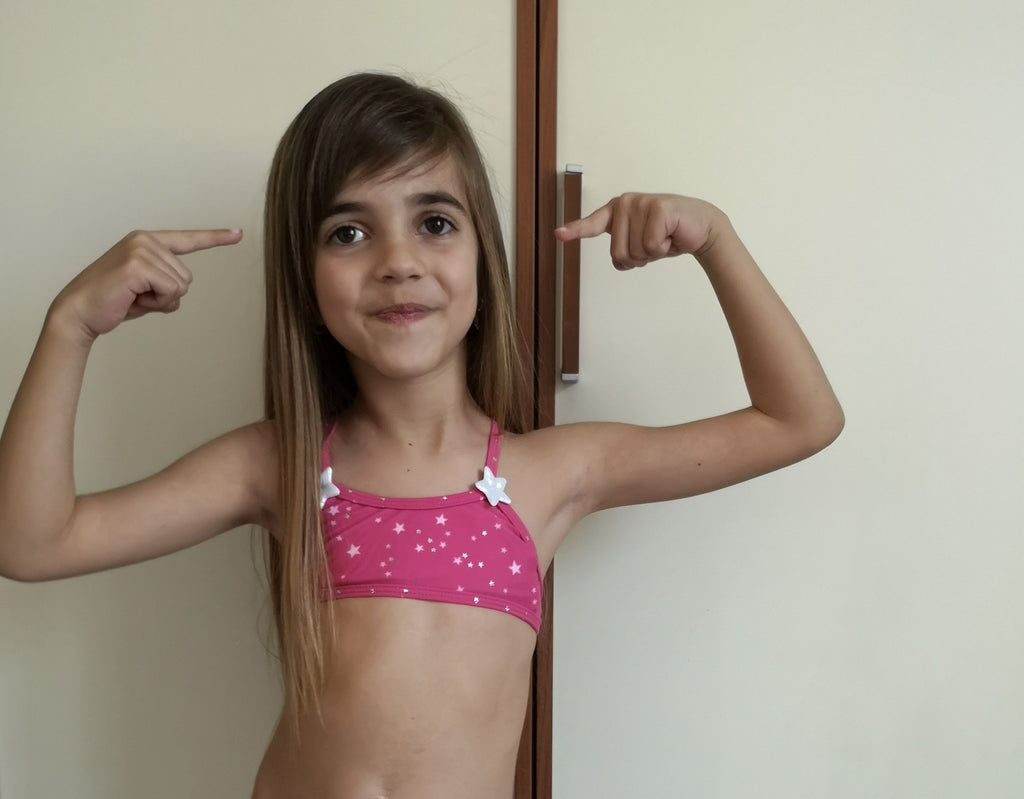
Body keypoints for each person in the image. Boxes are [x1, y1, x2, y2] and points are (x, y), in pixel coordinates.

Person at [0, 72, 843, 798]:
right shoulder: (278, 463)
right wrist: (70, 326)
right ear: (306, 278)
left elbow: (800, 419)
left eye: (434, 221)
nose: (397, 261)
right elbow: (33, 543)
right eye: (349, 232)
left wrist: (715, 239)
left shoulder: (553, 471)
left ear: (482, 258)